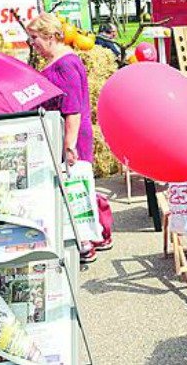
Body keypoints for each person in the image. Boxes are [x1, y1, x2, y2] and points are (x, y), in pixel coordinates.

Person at [26, 13, 112, 262]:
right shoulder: (56, 61)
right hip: (62, 132)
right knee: (75, 184)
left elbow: (72, 108)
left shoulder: (65, 64)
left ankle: (88, 239)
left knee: (75, 184)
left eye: (35, 38)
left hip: (70, 133)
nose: (33, 44)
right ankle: (95, 233)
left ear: (51, 36)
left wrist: (69, 145)